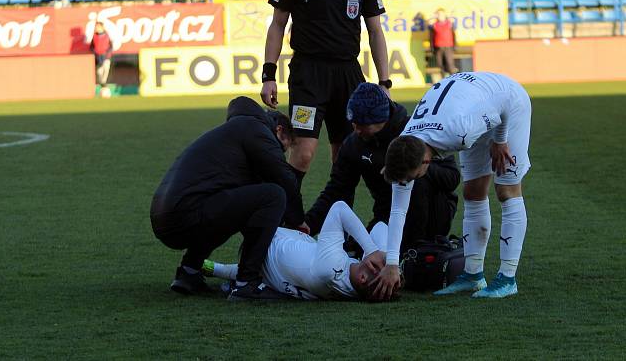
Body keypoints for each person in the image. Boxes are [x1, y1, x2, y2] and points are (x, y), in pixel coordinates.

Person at [261, 0, 390, 225]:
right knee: (303, 152)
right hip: (308, 75)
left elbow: (375, 31)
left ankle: (337, 229)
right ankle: (288, 221)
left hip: (348, 76)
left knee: (342, 159)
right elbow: (277, 25)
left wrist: (384, 83)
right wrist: (268, 74)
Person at [374, 72, 532, 301]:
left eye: (411, 178)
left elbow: (503, 105)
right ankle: (472, 274)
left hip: (508, 101)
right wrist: (391, 263)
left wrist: (499, 140)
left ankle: (507, 279)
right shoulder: (404, 145)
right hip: (470, 108)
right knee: (473, 191)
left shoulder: (460, 133)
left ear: (426, 163)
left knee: (506, 190)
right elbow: (398, 209)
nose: (407, 183)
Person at [150, 96, 305, 300]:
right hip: (186, 213)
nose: (282, 154)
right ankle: (246, 282)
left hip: (167, 217)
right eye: (284, 147)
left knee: (233, 207)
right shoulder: (256, 131)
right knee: (274, 195)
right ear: (279, 131)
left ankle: (189, 272)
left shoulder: (237, 131)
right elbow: (284, 178)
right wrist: (299, 221)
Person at [304, 83, 460, 250]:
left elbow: (452, 177)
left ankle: (415, 249)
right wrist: (308, 224)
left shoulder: (417, 131)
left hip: (432, 214)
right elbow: (337, 189)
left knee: (415, 179)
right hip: (387, 216)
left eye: (361, 123)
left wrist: (417, 166)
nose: (356, 129)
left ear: (380, 118)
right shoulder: (354, 144)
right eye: (354, 123)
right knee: (359, 253)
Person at [205, 201, 386, 301]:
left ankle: (200, 265)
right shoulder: (351, 285)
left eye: (383, 268)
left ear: (363, 278)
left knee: (272, 195)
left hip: (268, 239)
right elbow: (380, 227)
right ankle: (211, 268)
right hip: (272, 274)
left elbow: (339, 208)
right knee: (240, 271)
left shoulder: (331, 268)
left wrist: (371, 250)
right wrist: (392, 262)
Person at [428, 9, 457, 77]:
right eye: (438, 14)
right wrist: (432, 48)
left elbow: (454, 35)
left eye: (441, 14)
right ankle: (444, 81)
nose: (440, 16)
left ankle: (453, 80)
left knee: (450, 64)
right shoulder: (434, 25)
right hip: (438, 48)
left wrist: (455, 46)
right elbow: (431, 37)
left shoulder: (449, 24)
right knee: (440, 65)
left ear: (444, 15)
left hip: (448, 47)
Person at [90, 21, 113, 89]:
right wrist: (95, 52)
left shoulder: (106, 35)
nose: (97, 28)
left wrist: (107, 53)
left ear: (102, 27)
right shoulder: (95, 36)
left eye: (98, 26)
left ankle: (103, 83)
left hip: (106, 56)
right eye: (96, 26)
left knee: (106, 68)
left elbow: (111, 46)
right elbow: (91, 47)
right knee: (99, 71)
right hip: (98, 56)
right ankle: (101, 83)